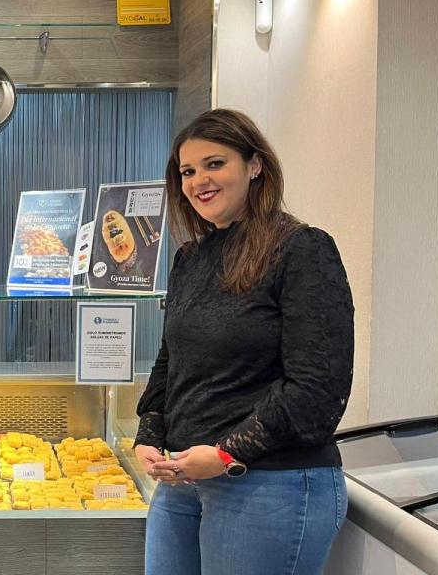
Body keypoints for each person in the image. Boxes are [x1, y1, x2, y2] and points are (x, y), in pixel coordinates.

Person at [134, 108, 353, 575]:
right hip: (184, 480)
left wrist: (228, 453)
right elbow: (171, 362)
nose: (198, 181)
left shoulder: (302, 249)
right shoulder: (191, 258)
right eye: (187, 171)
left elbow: (317, 390)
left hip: (272, 483)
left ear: (254, 166)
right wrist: (149, 435)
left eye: (214, 164)